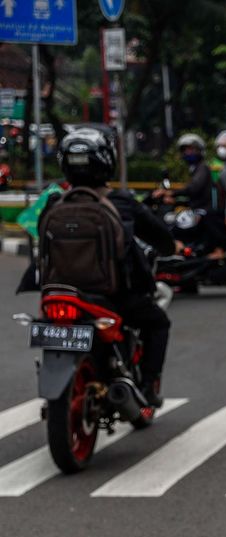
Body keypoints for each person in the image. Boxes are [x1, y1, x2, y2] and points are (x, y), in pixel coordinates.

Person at [44, 127, 176, 406]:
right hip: (114, 296)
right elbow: (164, 240)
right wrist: (168, 248)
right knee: (158, 323)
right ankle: (148, 387)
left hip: (60, 293)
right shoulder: (122, 202)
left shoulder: (54, 203)